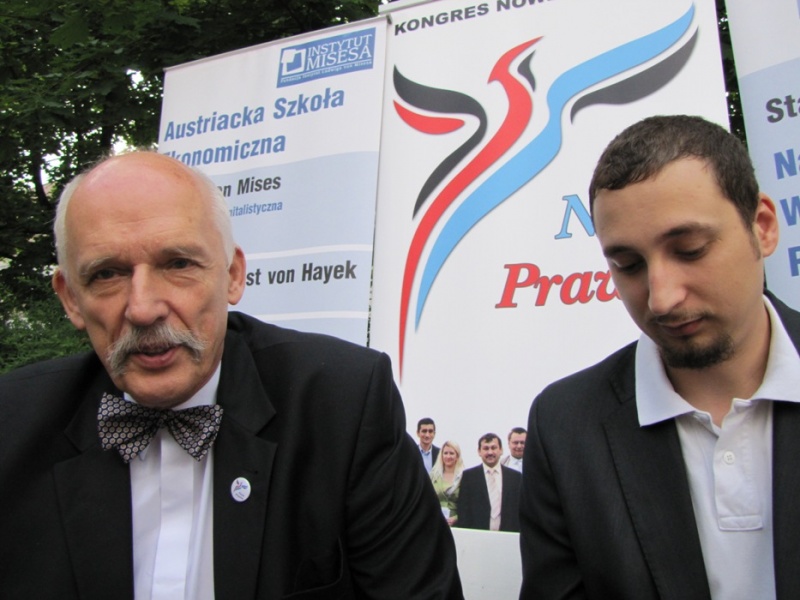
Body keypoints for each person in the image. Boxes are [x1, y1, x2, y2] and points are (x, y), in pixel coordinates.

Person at [0, 151, 463, 600]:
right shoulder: (11, 425)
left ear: (233, 275)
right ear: (70, 298)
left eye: (178, 264)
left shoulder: (343, 405)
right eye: (107, 274)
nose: (143, 308)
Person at [519, 115, 800, 600]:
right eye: (628, 265)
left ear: (763, 227)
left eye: (690, 250)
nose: (662, 298)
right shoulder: (566, 427)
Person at [456, 433, 521, 532]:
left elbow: (519, 511)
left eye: (493, 448)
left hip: (508, 536)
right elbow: (463, 511)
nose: (490, 452)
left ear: (501, 450)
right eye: (486, 448)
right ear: (479, 451)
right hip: (478, 536)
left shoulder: (515, 477)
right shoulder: (469, 477)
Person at [430, 441, 464, 526]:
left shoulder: (464, 476)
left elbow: (468, 504)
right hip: (435, 521)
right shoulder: (433, 476)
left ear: (457, 456)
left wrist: (456, 518)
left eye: (451, 453)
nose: (448, 456)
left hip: (456, 524)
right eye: (445, 453)